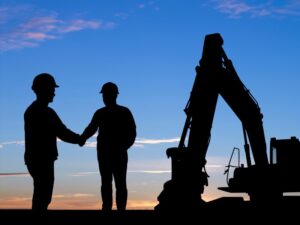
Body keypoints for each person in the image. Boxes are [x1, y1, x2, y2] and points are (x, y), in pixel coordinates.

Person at [24, 73, 82, 213]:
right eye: (52, 89)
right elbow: (62, 132)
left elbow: (62, 132)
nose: (54, 93)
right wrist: (79, 139)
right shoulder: (44, 112)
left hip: (37, 158)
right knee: (43, 195)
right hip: (41, 159)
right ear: (44, 89)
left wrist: (78, 138)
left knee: (41, 194)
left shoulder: (33, 111)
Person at [80, 82, 136, 211]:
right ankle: (108, 209)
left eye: (106, 95)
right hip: (107, 153)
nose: (105, 98)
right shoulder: (103, 113)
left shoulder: (123, 112)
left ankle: (118, 209)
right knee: (108, 182)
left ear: (114, 96)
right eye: (104, 95)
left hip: (115, 152)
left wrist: (123, 147)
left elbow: (132, 133)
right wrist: (82, 138)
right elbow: (91, 128)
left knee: (117, 183)